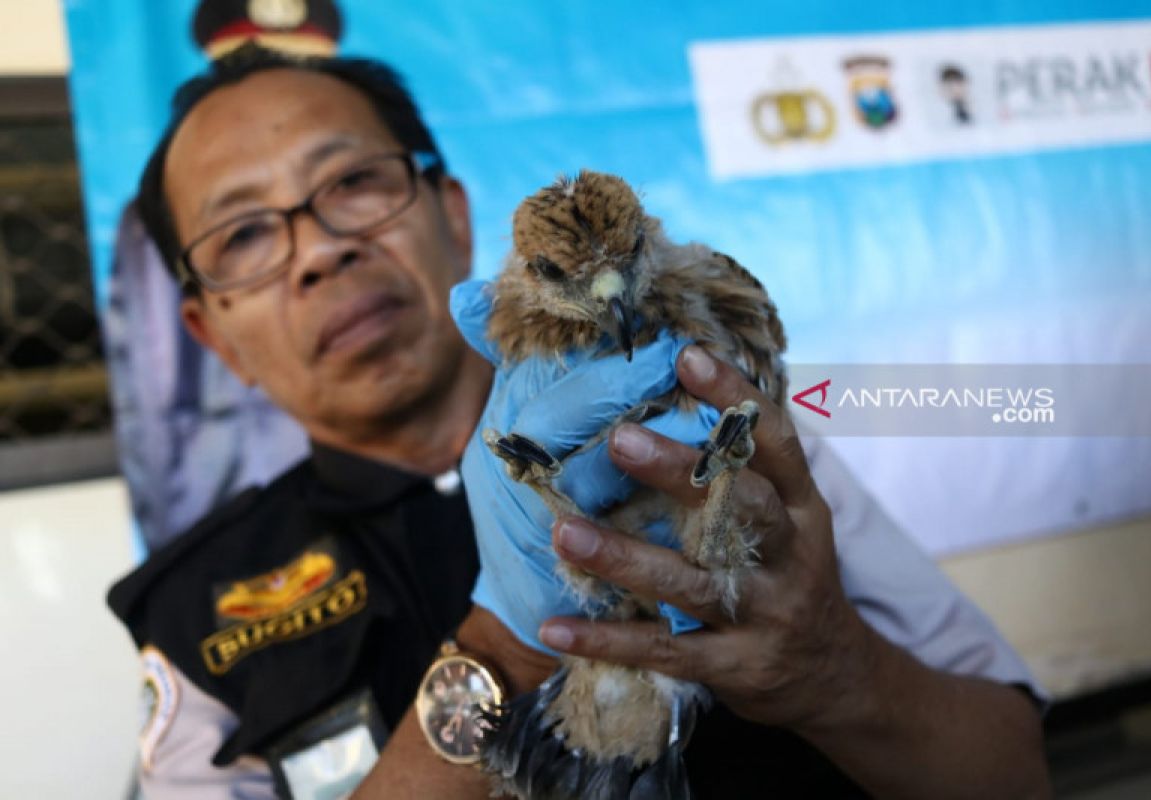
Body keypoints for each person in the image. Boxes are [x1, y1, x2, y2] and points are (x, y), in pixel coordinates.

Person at [108, 44, 1051, 799]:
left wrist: (836, 675)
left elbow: (1014, 771)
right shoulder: (195, 621)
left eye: (352, 182)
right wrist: (501, 648)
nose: (320, 248)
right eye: (242, 235)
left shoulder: (715, 433)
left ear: (453, 212)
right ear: (210, 333)